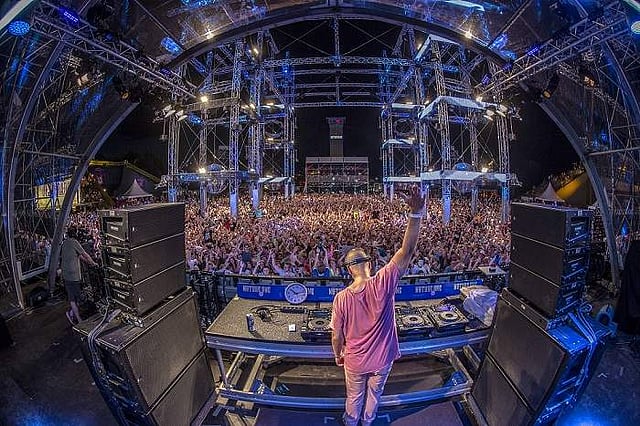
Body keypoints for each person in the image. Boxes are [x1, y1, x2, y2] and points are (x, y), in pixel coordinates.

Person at [330, 185, 425, 426]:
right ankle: (368, 420)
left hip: (354, 360)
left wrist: (338, 354)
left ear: (349, 270)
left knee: (354, 396)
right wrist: (416, 213)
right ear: (369, 265)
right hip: (382, 359)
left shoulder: (341, 298)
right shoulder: (383, 281)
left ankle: (351, 421)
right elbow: (407, 250)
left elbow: (336, 335)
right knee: (375, 394)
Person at [60, 227, 98, 324]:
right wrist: (93, 263)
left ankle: (72, 314)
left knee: (72, 298)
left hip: (66, 275)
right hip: (73, 276)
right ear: (75, 234)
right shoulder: (74, 242)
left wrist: (88, 262)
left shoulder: (64, 243)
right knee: (79, 298)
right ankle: (78, 318)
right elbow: (85, 255)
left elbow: (78, 255)